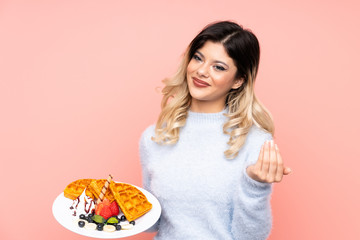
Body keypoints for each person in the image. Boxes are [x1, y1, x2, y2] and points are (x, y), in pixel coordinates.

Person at [139, 21, 291, 240]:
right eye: (198, 58)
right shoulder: (154, 137)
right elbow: (151, 223)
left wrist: (255, 185)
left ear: (238, 80)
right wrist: (118, 205)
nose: (201, 71)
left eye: (218, 67)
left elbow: (250, 237)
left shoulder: (256, 142)